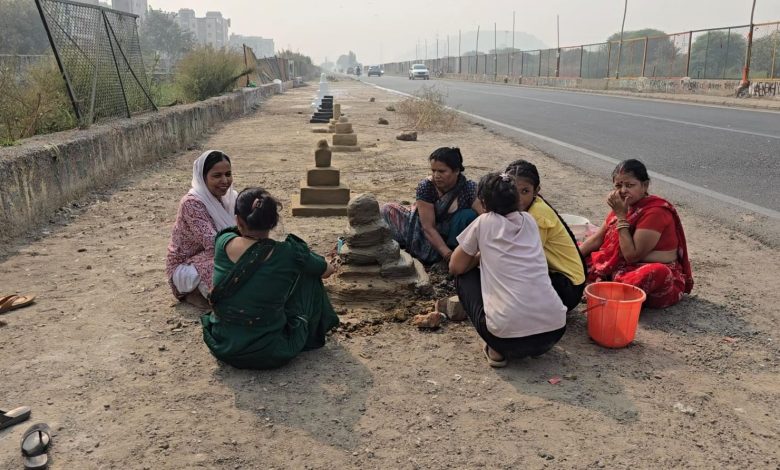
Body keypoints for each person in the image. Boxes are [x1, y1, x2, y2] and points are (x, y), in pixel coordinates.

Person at [201, 187, 340, 370]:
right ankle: (315, 333)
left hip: (223, 345)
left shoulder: (223, 241)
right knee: (309, 274)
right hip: (270, 351)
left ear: (238, 220)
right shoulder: (290, 252)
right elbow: (326, 271)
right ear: (273, 222)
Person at [449, 172, 567, 368]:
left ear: (484, 203)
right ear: (516, 199)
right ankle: (532, 343)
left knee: (462, 277)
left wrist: (480, 258)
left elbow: (455, 266)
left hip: (506, 340)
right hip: (554, 332)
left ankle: (495, 351)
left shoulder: (484, 221)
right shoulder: (529, 220)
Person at [579, 159, 693, 308]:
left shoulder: (655, 211)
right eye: (618, 186)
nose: (623, 190)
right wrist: (572, 257)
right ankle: (609, 287)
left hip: (643, 268)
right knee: (575, 248)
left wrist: (621, 216)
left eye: (630, 185)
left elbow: (631, 255)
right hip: (619, 266)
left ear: (644, 186)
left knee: (657, 272)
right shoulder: (623, 205)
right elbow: (597, 240)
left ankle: (608, 291)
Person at [505, 160, 586, 312]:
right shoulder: (526, 208)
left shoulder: (537, 216)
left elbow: (527, 259)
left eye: (525, 191)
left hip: (567, 288)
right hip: (561, 279)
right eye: (512, 191)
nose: (518, 198)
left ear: (536, 191)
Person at [381, 147, 482, 265]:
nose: (436, 175)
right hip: (427, 232)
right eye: (433, 171)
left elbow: (484, 216)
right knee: (388, 210)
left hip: (455, 237)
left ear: (456, 170)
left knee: (469, 215)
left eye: (442, 171)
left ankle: (458, 253)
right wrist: (448, 256)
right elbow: (428, 227)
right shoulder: (427, 187)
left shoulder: (469, 188)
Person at [166, 150, 237, 308]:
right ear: (203, 178)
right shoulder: (192, 203)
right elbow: (214, 244)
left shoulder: (230, 199)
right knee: (231, 267)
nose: (225, 180)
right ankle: (194, 293)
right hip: (185, 266)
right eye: (217, 176)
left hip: (218, 253)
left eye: (228, 174)